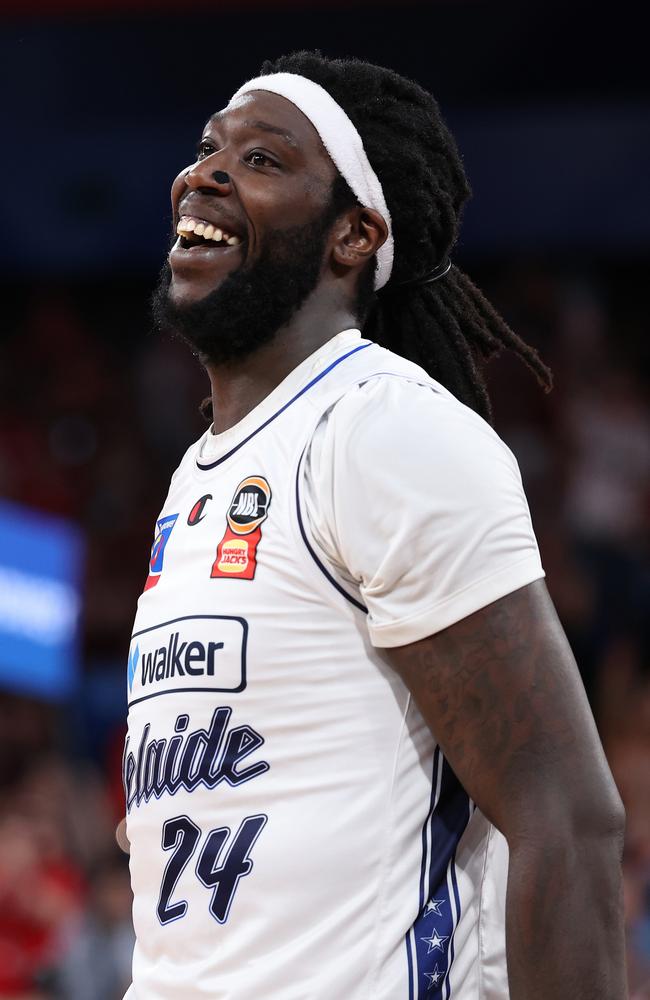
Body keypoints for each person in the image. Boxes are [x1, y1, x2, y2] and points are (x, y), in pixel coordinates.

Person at [123, 52, 627, 999]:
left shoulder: (382, 430)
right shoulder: (201, 472)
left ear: (353, 236)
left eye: (264, 161)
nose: (207, 174)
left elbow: (568, 814)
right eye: (207, 150)